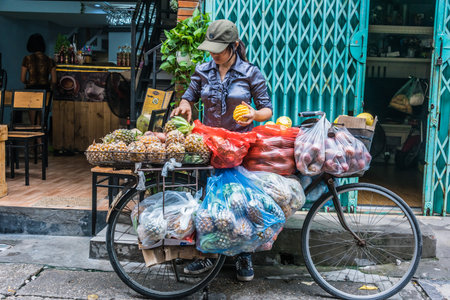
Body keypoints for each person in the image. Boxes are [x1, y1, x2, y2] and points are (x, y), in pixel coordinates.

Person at [171, 19, 273, 281]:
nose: (214, 54)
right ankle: (207, 255)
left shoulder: (250, 72)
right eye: (211, 49)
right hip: (210, 147)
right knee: (208, 204)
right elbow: (189, 94)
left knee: (240, 205)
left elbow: (267, 109)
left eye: (219, 49)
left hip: (239, 149)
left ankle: (243, 257)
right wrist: (184, 104)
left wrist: (254, 114)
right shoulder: (203, 70)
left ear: (234, 45)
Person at [21, 33, 56, 125]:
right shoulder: (50, 60)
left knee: (33, 121)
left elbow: (22, 78)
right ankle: (40, 138)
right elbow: (54, 80)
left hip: (31, 90)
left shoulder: (27, 59)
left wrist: (28, 82)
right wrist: (48, 83)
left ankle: (35, 138)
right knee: (42, 118)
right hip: (45, 91)